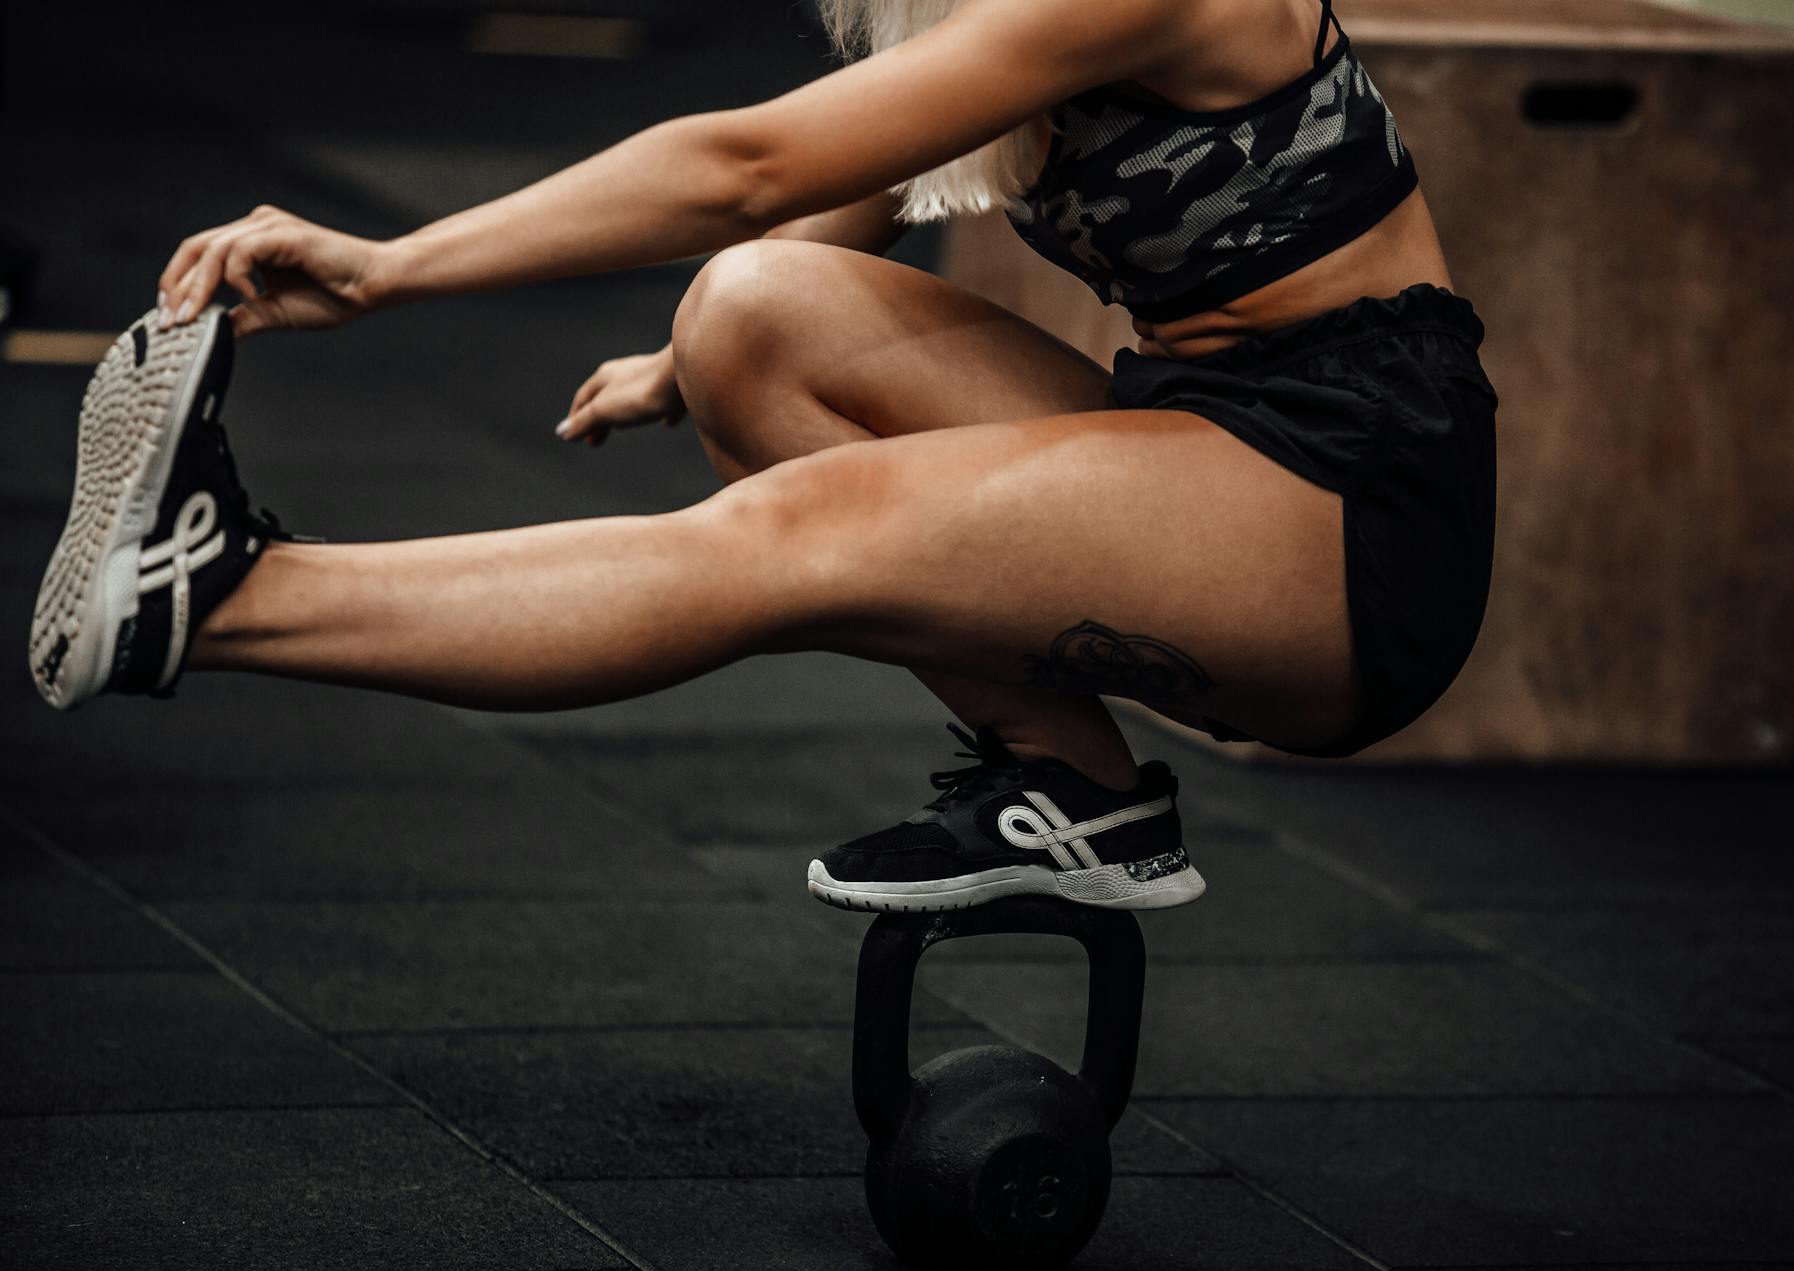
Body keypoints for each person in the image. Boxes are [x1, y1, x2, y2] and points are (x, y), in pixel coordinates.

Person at [29, 0, 1495, 913]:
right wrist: (688, 363)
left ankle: (221, 598)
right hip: (1211, 432)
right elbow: (864, 186)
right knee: (751, 314)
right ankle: (1077, 793)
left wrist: (395, 266)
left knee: (807, 533)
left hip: (1357, 511)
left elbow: (751, 165)